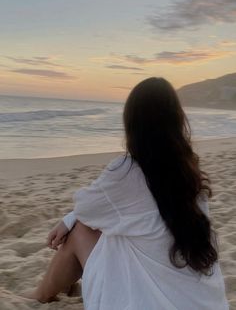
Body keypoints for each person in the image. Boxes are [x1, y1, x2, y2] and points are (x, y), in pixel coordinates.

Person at [24, 77, 229, 309]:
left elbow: (86, 208)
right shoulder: (189, 172)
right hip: (205, 303)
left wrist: (70, 219)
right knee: (116, 228)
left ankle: (40, 295)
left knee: (81, 230)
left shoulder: (127, 172)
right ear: (177, 121)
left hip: (148, 302)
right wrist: (74, 216)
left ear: (132, 124)